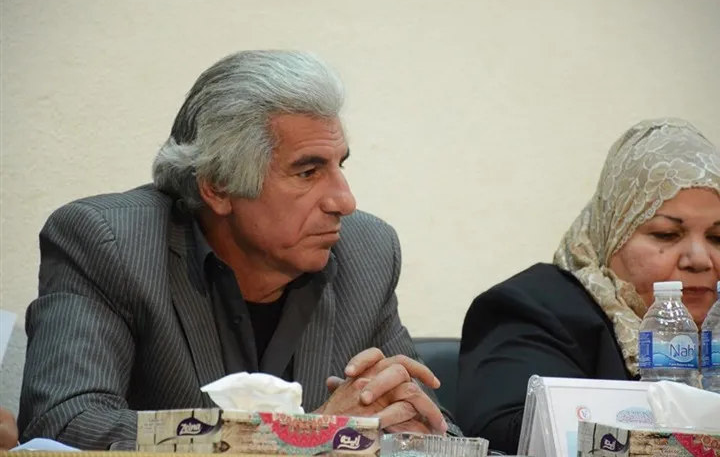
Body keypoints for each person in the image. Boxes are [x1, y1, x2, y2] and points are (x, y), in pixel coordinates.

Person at [18, 50, 458, 450]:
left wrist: (414, 436)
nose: (344, 201)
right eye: (307, 172)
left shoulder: (366, 251)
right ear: (218, 186)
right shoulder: (111, 243)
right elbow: (63, 425)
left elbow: (439, 431)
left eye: (338, 166)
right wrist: (310, 436)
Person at [457, 118, 720, 453]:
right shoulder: (533, 308)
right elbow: (511, 436)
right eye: (666, 234)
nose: (699, 259)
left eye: (717, 237)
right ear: (612, 233)